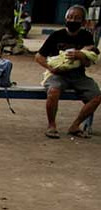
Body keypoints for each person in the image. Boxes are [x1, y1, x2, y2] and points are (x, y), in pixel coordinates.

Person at [35, 5, 101, 139]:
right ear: (65, 19)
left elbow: (88, 63)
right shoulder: (56, 35)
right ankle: (51, 125)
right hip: (57, 74)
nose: (72, 20)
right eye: (70, 17)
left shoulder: (86, 36)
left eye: (77, 18)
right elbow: (38, 57)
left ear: (83, 22)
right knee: (53, 91)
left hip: (78, 76)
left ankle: (75, 126)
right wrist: (50, 68)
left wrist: (81, 56)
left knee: (97, 96)